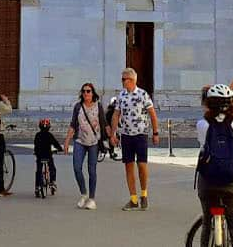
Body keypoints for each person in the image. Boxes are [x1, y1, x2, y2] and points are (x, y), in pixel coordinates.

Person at [196, 84, 233, 247]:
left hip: (208, 181)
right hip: (231, 179)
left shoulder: (202, 124)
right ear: (231, 102)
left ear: (208, 103)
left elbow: (202, 148)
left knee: (206, 222)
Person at [109, 67, 159, 210]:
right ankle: (133, 198)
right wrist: (112, 134)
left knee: (142, 165)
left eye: (124, 79)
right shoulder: (121, 96)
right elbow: (116, 115)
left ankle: (144, 195)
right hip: (126, 135)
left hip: (141, 134)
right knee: (128, 166)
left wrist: (155, 133)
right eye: (122, 79)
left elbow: (152, 114)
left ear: (132, 80)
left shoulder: (143, 94)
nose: (122, 81)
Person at [63, 82, 103, 210]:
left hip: (93, 142)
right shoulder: (78, 107)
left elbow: (104, 122)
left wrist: (112, 136)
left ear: (93, 93)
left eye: (88, 91)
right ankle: (84, 193)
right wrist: (67, 141)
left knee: (92, 171)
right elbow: (73, 124)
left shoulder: (98, 106)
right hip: (79, 141)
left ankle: (92, 199)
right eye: (84, 91)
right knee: (76, 168)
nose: (86, 93)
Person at [33, 118, 62, 196]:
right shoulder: (49, 135)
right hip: (48, 155)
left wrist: (35, 152)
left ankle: (37, 186)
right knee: (52, 168)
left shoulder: (37, 135)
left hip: (39, 155)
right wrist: (60, 149)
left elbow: (35, 145)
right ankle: (53, 182)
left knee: (38, 171)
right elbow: (55, 143)